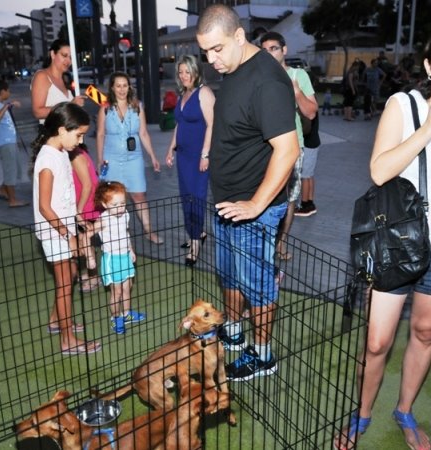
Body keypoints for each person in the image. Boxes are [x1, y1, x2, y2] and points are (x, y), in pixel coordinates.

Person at [334, 26, 431, 450]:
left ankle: (404, 410)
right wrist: (430, 127)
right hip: (397, 243)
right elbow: (379, 171)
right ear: (428, 65)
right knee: (377, 342)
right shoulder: (403, 106)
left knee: (425, 332)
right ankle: (361, 413)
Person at [196, 5, 300, 381]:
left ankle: (263, 355)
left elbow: (288, 150)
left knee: (257, 286)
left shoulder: (267, 81)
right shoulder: (234, 66)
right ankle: (235, 332)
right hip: (227, 202)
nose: (212, 60)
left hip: (254, 208)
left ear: (239, 36)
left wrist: (256, 204)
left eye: (217, 49)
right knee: (229, 276)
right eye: (205, 52)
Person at [31, 102, 101, 355]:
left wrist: (76, 217)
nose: (81, 141)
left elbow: (64, 196)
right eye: (78, 135)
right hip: (54, 232)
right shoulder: (47, 159)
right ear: (62, 130)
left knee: (69, 275)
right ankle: (67, 339)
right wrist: (68, 235)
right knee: (64, 284)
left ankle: (58, 321)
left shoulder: (60, 152)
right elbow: (45, 207)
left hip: (63, 227)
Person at [260, 31, 318, 259]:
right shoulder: (260, 77)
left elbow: (311, 112)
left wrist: (295, 90)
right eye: (265, 50)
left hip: (293, 147)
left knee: (290, 197)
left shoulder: (298, 74)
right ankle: (266, 241)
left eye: (273, 48)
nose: (269, 54)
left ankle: (281, 242)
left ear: (284, 50)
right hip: (263, 146)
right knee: (267, 193)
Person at [96, 72, 163, 244]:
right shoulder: (105, 108)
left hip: (134, 159)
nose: (122, 89)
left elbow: (143, 133)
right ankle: (117, 234)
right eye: (118, 86)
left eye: (125, 85)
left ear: (129, 87)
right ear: (112, 88)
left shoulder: (137, 106)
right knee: (113, 198)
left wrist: (153, 156)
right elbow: (100, 134)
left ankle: (149, 231)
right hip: (111, 159)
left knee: (139, 195)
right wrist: (100, 159)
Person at [165, 54, 215, 266]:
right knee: (186, 197)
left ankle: (195, 243)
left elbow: (212, 125)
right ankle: (197, 233)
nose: (184, 75)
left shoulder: (204, 93)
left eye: (188, 71)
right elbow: (180, 124)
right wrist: (171, 148)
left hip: (198, 157)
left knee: (197, 198)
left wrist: (205, 154)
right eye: (181, 72)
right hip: (183, 156)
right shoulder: (183, 94)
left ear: (196, 71)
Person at [93, 181, 145, 335]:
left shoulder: (125, 215)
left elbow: (126, 233)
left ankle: (127, 314)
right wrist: (88, 255)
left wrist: (131, 250)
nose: (120, 208)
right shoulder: (103, 220)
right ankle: (116, 318)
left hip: (125, 256)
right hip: (112, 259)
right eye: (115, 205)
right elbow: (87, 234)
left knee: (127, 287)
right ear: (105, 204)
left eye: (122, 203)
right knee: (116, 292)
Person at [0, 79, 28, 207]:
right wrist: (7, 106)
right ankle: (12, 200)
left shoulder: (0, 105)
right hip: (5, 143)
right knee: (10, 171)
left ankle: (2, 190)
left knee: (14, 170)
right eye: (8, 90)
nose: (9, 92)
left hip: (10, 142)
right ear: (2, 91)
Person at [69, 143, 101, 292]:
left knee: (85, 241)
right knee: (86, 241)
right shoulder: (77, 153)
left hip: (87, 204)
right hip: (86, 202)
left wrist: (79, 210)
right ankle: (90, 273)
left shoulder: (76, 156)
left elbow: (87, 185)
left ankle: (94, 278)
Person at [30, 39, 85, 124]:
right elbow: (38, 112)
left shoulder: (65, 78)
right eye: (64, 55)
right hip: (52, 131)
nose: (68, 61)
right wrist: (70, 106)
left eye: (71, 57)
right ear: (53, 54)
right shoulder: (42, 76)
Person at [295, 114, 321, 217]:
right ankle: (310, 202)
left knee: (304, 176)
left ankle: (304, 204)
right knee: (309, 174)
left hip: (308, 144)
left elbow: (304, 128)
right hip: (313, 142)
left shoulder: (306, 110)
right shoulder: (312, 109)